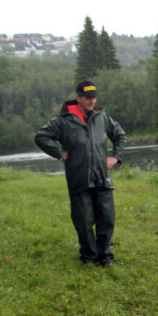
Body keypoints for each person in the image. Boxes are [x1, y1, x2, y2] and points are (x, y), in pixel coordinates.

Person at [35, 80, 126, 266]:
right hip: (79, 177)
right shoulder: (62, 120)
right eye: (87, 97)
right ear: (78, 98)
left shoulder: (102, 117)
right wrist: (60, 153)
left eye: (94, 97)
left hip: (102, 176)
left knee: (106, 219)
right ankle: (89, 257)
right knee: (83, 221)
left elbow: (120, 135)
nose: (92, 100)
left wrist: (115, 157)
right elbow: (41, 137)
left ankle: (106, 257)